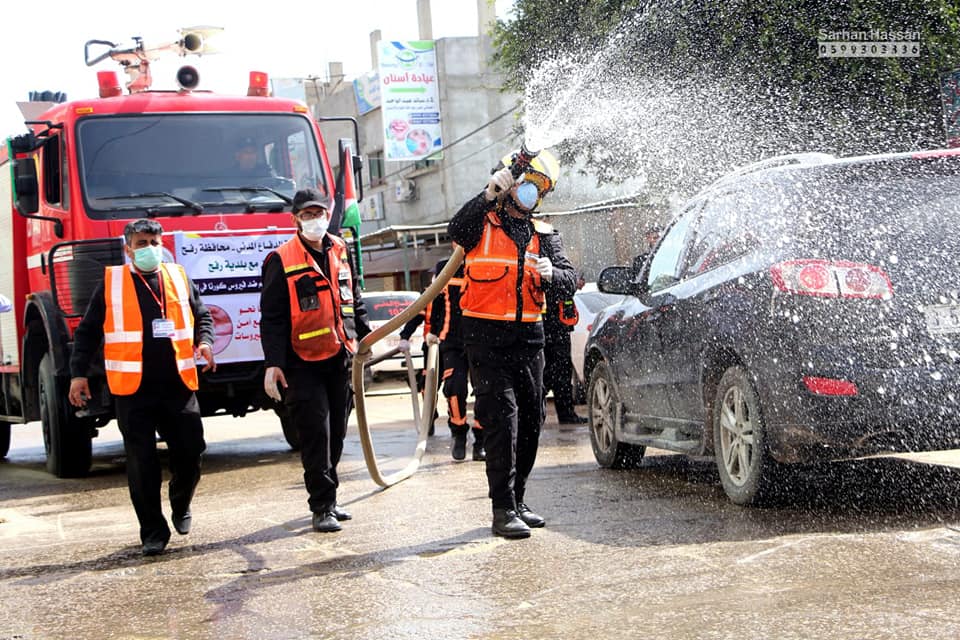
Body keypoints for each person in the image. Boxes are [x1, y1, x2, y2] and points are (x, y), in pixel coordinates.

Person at [448, 148, 577, 539]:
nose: (531, 194)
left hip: (529, 340)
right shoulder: (480, 224)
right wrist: (488, 193)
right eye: (527, 184)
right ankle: (501, 509)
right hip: (485, 341)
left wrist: (553, 273)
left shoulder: (544, 235)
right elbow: (456, 229)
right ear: (510, 183)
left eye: (540, 188)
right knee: (503, 421)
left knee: (533, 421)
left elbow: (571, 280)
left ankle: (518, 499)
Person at [68, 219, 216, 556]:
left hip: (177, 385)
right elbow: (88, 332)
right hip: (133, 390)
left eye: (154, 241)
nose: (149, 248)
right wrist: (78, 374)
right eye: (141, 243)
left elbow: (202, 315)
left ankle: (181, 503)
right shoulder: (111, 283)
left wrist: (205, 342)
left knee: (191, 451)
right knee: (141, 462)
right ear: (128, 248)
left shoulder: (178, 277)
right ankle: (152, 532)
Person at [260, 187, 371, 533]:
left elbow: (354, 298)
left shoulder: (340, 248)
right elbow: (272, 317)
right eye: (306, 215)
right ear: (295, 219)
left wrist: (367, 337)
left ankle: (331, 498)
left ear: (327, 214)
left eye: (318, 213)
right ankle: (321, 505)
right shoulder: (281, 258)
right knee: (315, 435)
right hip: (301, 362)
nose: (314, 220)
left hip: (340, 356)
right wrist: (273, 363)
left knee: (337, 433)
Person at [424, 255, 485, 461]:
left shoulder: (483, 261)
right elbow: (436, 299)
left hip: (481, 340)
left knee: (485, 391)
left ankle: (481, 440)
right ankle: (459, 433)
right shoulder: (445, 266)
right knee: (454, 388)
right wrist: (432, 330)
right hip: (452, 341)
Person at [543, 270, 587, 424]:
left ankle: (565, 413)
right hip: (553, 327)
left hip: (553, 326)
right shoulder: (548, 258)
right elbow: (560, 285)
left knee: (556, 372)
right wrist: (573, 283)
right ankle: (565, 414)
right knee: (557, 372)